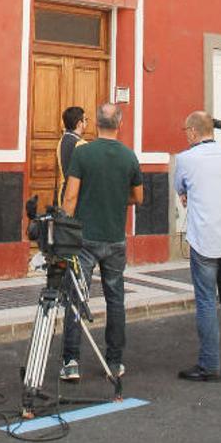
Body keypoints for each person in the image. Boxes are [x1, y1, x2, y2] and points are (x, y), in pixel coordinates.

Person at [59, 103, 143, 381]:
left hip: (84, 238)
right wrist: (119, 198)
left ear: (95, 124)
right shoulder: (130, 157)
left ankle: (71, 361)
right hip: (115, 239)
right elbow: (138, 198)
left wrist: (64, 230)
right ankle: (115, 362)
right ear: (119, 125)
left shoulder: (83, 154)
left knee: (76, 298)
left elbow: (70, 198)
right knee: (115, 300)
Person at [173, 111, 221, 382]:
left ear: (193, 132)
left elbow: (181, 189)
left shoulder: (185, 159)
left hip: (205, 239)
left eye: (185, 130)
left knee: (206, 301)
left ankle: (209, 365)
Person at [56, 106, 88, 205]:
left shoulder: (62, 141)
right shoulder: (81, 144)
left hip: (63, 193)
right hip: (77, 197)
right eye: (85, 120)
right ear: (79, 124)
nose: (87, 123)